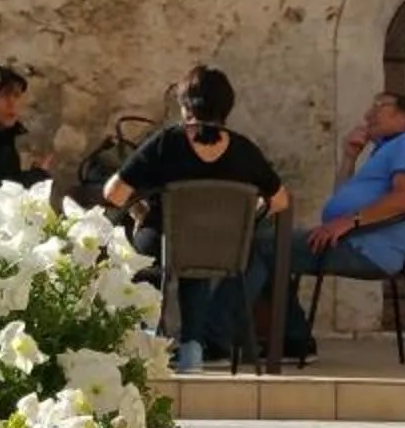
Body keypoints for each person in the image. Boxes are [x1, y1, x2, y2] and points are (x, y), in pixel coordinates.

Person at [104, 66, 289, 373]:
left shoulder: (167, 142)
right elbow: (280, 200)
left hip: (163, 245)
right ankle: (192, 350)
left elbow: (114, 193)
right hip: (220, 248)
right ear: (226, 107)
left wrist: (142, 208)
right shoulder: (244, 150)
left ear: (186, 105)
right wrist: (247, 220)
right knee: (199, 254)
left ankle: (144, 341)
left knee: (142, 251)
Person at [283, 90, 405, 353]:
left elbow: (403, 198)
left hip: (366, 250)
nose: (368, 114)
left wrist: (347, 222)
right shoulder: (382, 153)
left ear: (403, 118)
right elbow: (341, 197)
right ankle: (291, 339)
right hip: (348, 242)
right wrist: (350, 156)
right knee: (267, 246)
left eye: (379, 106)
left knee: (263, 247)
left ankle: (217, 338)